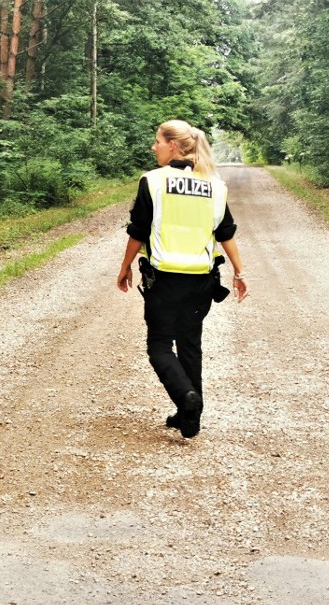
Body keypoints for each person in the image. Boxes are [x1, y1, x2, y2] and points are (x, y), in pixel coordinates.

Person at [116, 119, 248, 439]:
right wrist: (240, 272)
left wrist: (125, 267)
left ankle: (185, 397)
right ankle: (190, 418)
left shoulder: (154, 181)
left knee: (160, 346)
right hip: (201, 280)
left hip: (164, 279)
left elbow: (138, 231)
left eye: (158, 141)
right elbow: (226, 232)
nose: (154, 147)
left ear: (173, 146)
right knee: (190, 344)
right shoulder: (214, 186)